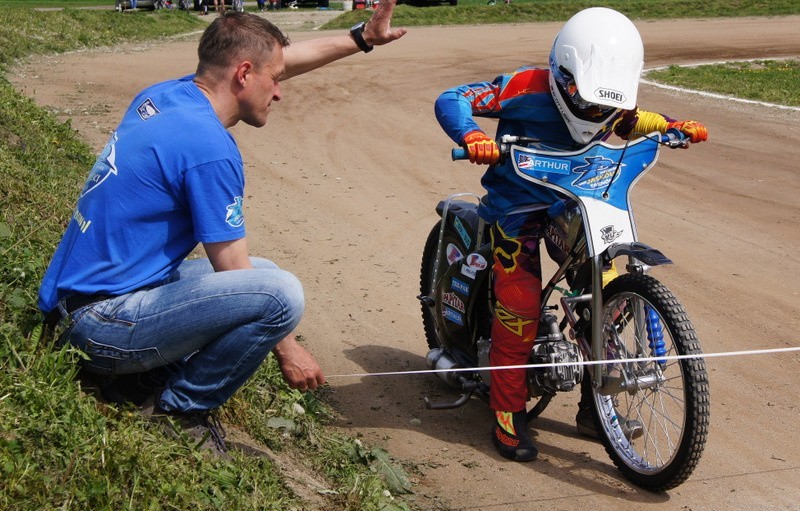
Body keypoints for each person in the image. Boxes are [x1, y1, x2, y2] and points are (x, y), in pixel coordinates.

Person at [39, 7, 407, 452]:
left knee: (264, 270)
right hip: (100, 328)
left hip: (73, 301)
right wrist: (289, 349)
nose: (279, 92)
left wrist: (362, 38)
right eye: (275, 80)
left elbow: (277, 60)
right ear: (244, 73)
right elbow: (232, 268)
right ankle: (180, 411)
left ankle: (139, 379)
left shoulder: (167, 95)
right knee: (279, 295)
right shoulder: (209, 149)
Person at [434, 7, 708, 462]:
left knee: (604, 298)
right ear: (564, 77)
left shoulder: (605, 98)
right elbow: (453, 98)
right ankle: (507, 411)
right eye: (589, 103)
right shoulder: (525, 87)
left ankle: (593, 406)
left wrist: (669, 124)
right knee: (519, 305)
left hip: (574, 206)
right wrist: (472, 135)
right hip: (516, 208)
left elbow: (626, 121)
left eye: (606, 103)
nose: (596, 113)